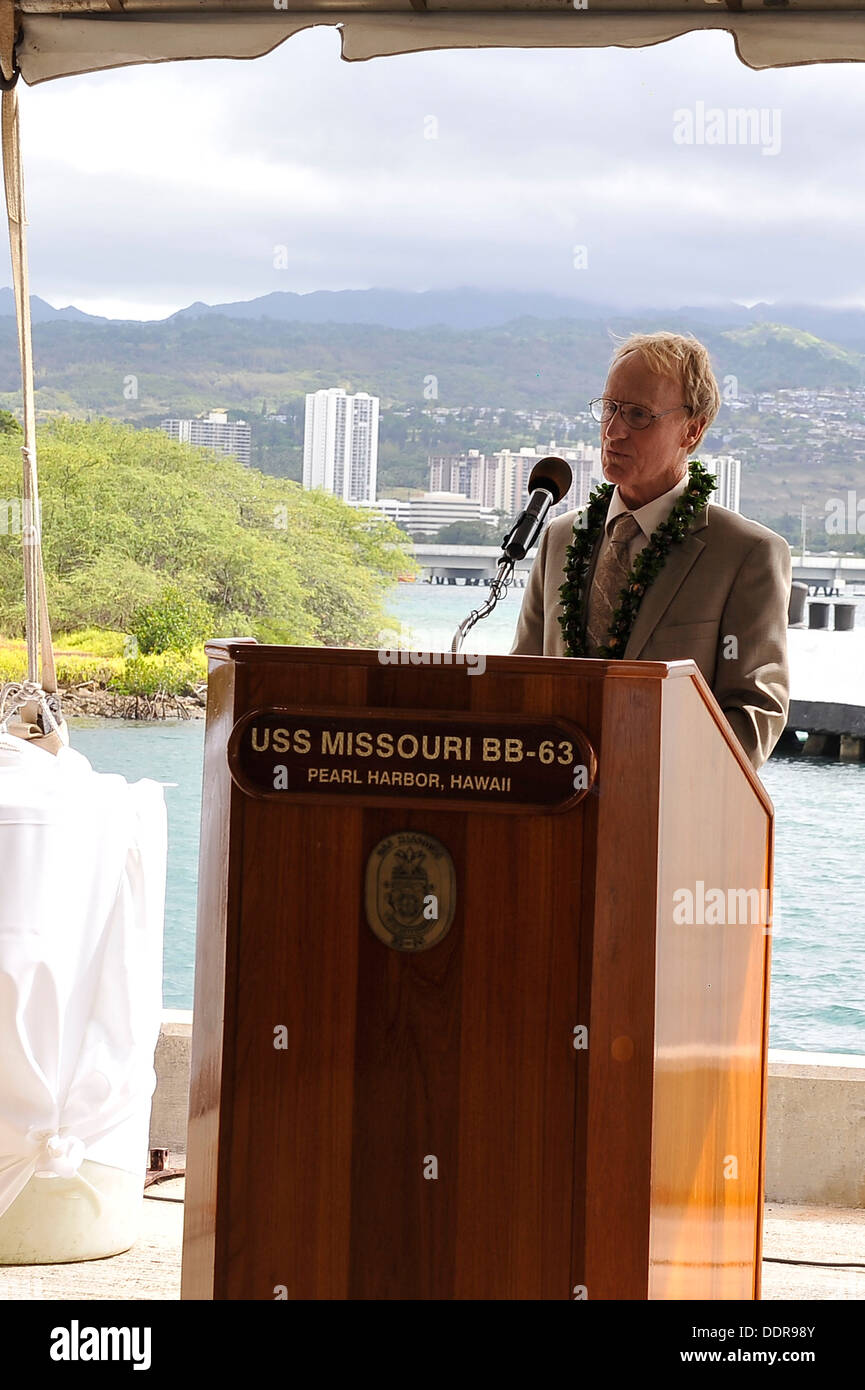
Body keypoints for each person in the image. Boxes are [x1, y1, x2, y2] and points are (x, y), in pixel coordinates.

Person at [510, 331, 791, 770]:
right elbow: (521, 680)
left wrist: (657, 777)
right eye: (610, 408)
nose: (614, 430)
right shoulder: (560, 538)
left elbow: (755, 712)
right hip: (555, 808)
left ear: (692, 431)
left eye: (639, 415)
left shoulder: (747, 554)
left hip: (668, 812)